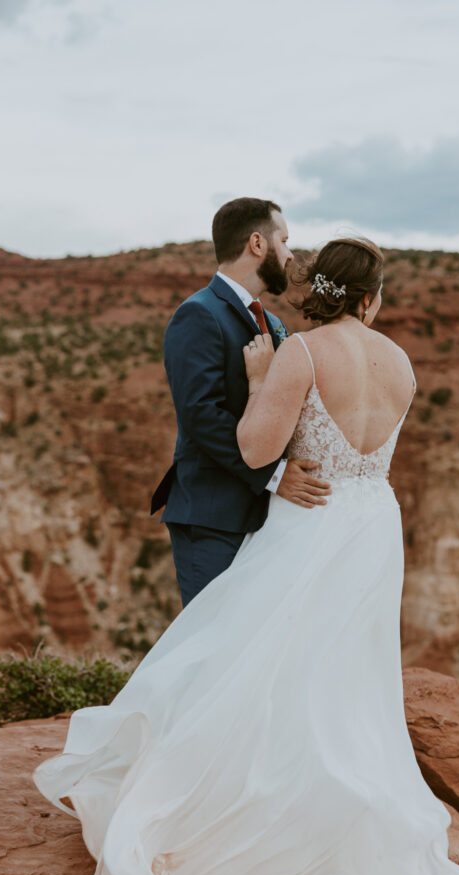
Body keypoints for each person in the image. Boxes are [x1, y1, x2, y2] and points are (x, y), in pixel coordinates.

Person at [33, 236, 459, 875]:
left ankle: (248, 804)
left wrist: (262, 377)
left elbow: (257, 450)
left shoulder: (299, 352)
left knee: (259, 654)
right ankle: (337, 811)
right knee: (343, 671)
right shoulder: (400, 362)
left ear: (323, 289)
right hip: (370, 523)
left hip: (311, 520)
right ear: (372, 297)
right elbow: (369, 450)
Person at [151, 196, 331, 607]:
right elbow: (201, 415)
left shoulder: (275, 323)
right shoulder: (198, 314)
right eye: (284, 240)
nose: (289, 254)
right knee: (213, 647)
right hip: (213, 517)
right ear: (257, 244)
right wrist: (274, 475)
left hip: (267, 517)